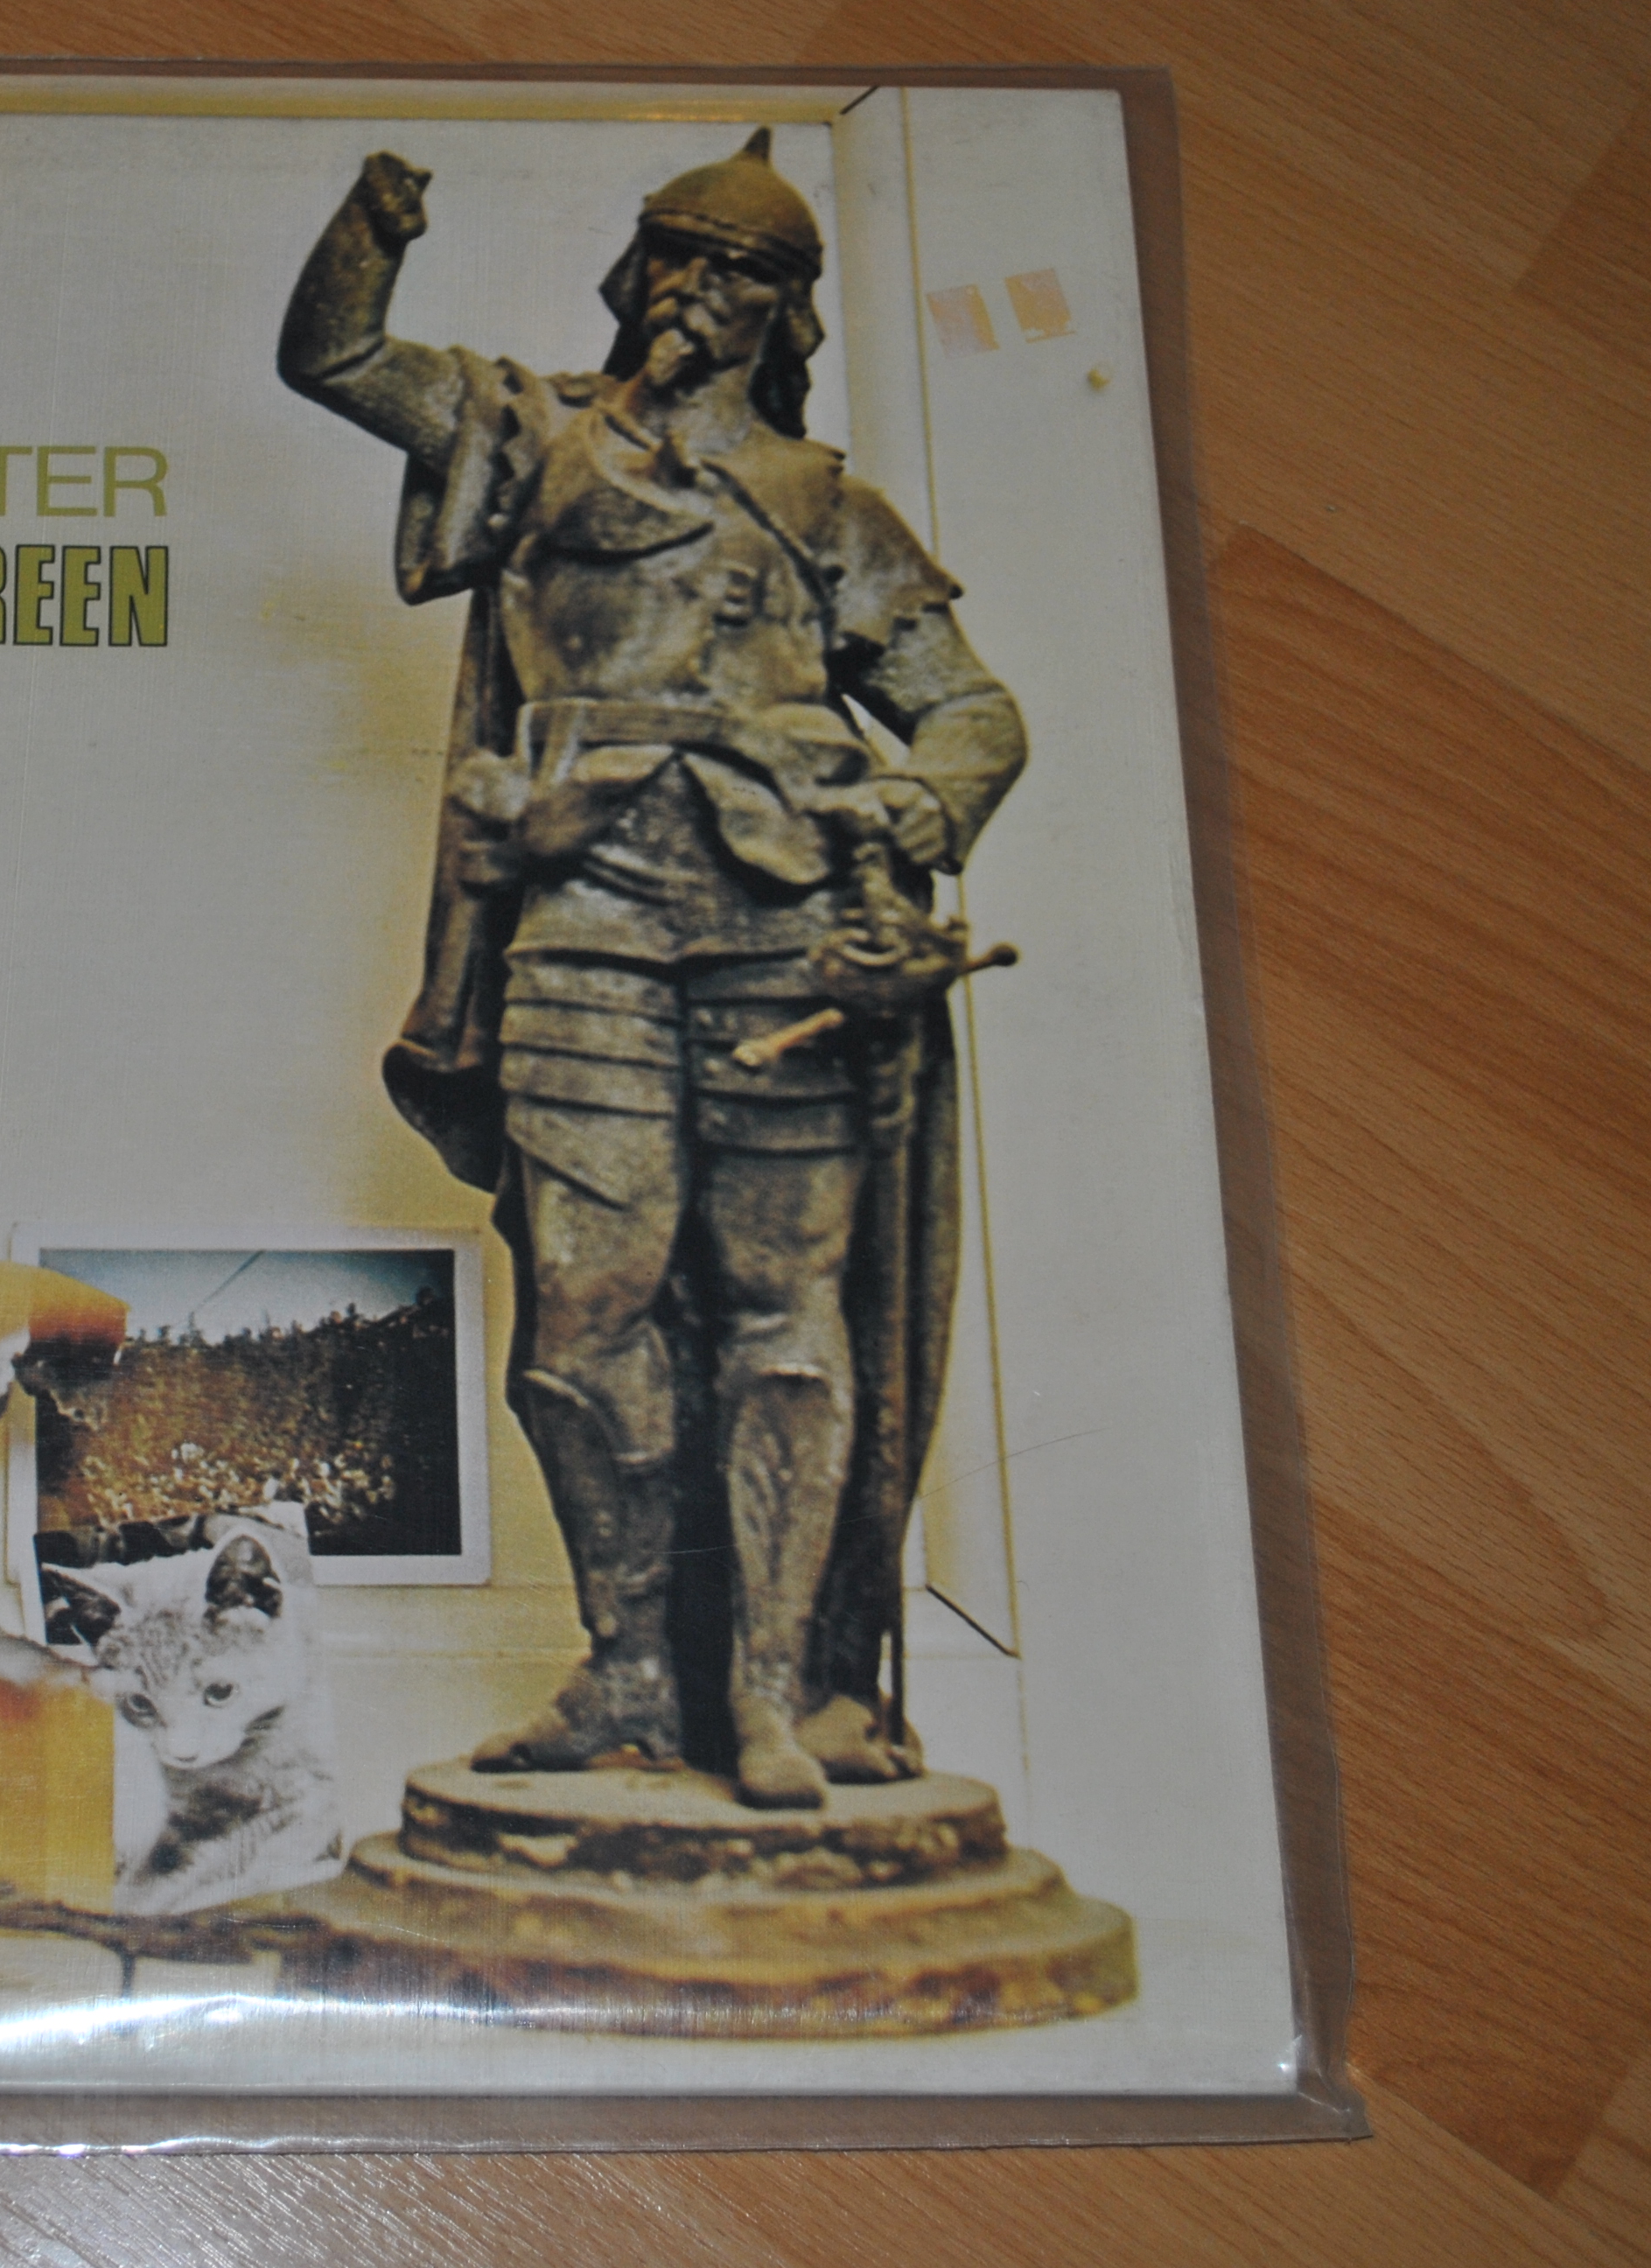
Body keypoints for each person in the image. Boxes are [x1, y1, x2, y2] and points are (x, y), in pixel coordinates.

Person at [278, 132, 1027, 1807]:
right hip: (586, 924)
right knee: (582, 1312)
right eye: (678, 254)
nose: (701, 290)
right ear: (636, 272)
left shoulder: (827, 508)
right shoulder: (528, 434)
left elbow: (972, 712)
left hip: (787, 943)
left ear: (787, 310)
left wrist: (910, 806)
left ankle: (770, 1691)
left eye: (741, 269)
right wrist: (372, 226)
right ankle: (626, 1667)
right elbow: (335, 357)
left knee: (784, 1317)